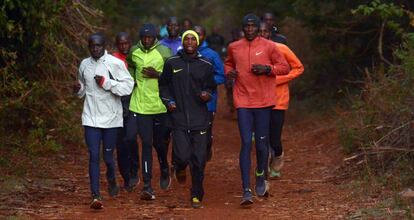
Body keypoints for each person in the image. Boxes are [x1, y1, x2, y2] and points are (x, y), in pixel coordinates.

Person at [224, 14, 290, 206]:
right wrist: (230, 73)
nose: (251, 29)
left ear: (257, 28)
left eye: (254, 26)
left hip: (264, 101)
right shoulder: (234, 46)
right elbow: (228, 63)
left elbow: (283, 67)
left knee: (262, 146)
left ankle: (260, 174)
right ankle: (246, 190)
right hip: (243, 100)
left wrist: (267, 69)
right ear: (243, 28)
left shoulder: (270, 46)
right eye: (247, 26)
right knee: (246, 142)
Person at [74, 33, 134, 209]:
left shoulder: (115, 63)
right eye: (92, 46)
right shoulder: (84, 64)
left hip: (111, 118)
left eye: (98, 46)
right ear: (88, 47)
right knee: (93, 155)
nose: (95, 49)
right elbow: (83, 89)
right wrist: (78, 89)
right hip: (90, 117)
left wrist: (107, 83)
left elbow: (128, 86)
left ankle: (111, 176)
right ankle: (96, 195)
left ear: (104, 45)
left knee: (107, 157)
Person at [159, 30, 216, 208]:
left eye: (193, 39)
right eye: (187, 39)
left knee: (199, 160)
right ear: (182, 42)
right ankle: (180, 167)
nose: (190, 41)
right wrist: (168, 101)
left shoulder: (206, 64)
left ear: (198, 43)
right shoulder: (171, 62)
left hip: (200, 118)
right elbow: (163, 85)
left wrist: (207, 94)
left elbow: (211, 87)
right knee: (183, 157)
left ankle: (197, 194)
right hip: (178, 118)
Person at [125, 24, 173, 200]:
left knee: (159, 144)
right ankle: (147, 185)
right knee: (145, 142)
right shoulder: (134, 51)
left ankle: (164, 166)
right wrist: (131, 79)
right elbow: (129, 65)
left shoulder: (165, 52)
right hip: (140, 105)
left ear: (155, 38)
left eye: (149, 38)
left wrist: (158, 75)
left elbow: (173, 75)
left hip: (159, 106)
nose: (146, 41)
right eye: (144, 38)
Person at [259, 22, 304, 178]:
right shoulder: (252, 51)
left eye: (265, 31)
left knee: (275, 138)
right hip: (258, 100)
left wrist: (281, 79)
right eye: (260, 31)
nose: (262, 34)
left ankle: (277, 157)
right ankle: (262, 168)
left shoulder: (282, 48)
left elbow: (299, 67)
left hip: (279, 100)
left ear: (270, 33)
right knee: (261, 136)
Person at [112, 32, 140, 192]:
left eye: (126, 43)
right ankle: (126, 176)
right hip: (116, 106)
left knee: (130, 138)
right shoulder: (111, 60)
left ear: (131, 43)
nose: (124, 46)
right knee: (120, 144)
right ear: (117, 45)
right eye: (121, 43)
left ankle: (134, 171)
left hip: (133, 104)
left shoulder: (136, 58)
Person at [194, 25, 225, 161]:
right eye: (194, 34)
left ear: (204, 36)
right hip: (189, 101)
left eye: (199, 34)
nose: (196, 37)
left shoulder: (212, 55)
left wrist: (207, 83)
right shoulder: (181, 54)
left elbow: (221, 76)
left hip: (208, 102)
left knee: (205, 132)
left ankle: (207, 146)